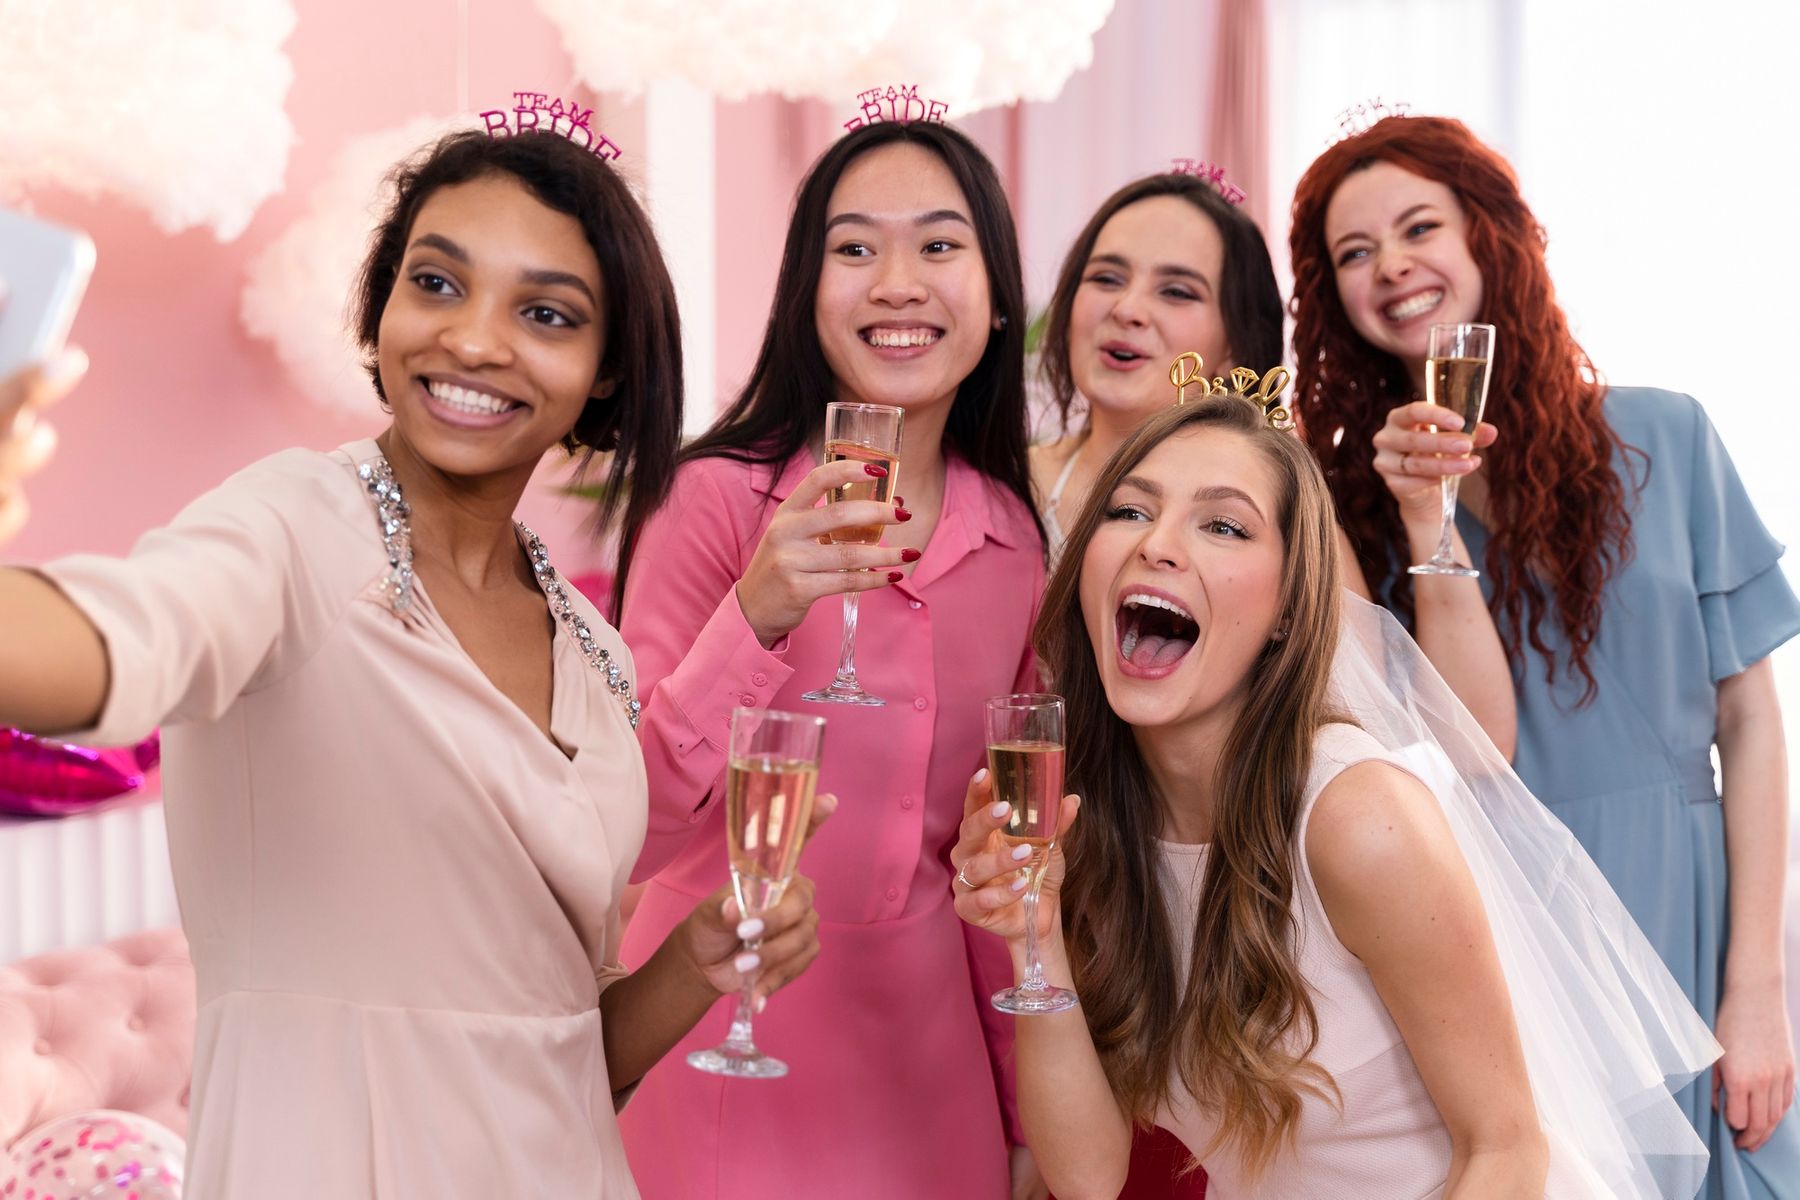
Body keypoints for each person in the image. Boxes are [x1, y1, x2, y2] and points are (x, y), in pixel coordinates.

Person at [0, 128, 827, 1198]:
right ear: (383, 305)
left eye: (545, 313)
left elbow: (558, 1057)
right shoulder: (295, 527)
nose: (473, 340)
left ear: (608, 368)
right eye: (436, 282)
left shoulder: (594, 652)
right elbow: (111, 643)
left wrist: (692, 966)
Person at [952, 393, 1718, 1198]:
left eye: (1224, 526)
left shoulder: (1359, 819)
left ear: (1288, 609)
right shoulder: (1087, 821)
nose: (1157, 545)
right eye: (1130, 511)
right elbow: (1091, 1177)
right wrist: (1035, 937)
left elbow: (1507, 1150)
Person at [1288, 113, 1800, 1191]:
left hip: (1682, 897)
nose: (1392, 266)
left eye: (1418, 227)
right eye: (1355, 252)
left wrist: (1757, 985)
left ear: (1488, 234)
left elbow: (1750, 721)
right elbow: (1466, 749)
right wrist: (1423, 517)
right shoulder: (1352, 511)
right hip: (1504, 924)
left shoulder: (1668, 437)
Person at [615, 119, 1047, 1199]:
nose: (897, 282)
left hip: (928, 1074)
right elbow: (627, 824)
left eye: (939, 245)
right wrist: (757, 609)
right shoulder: (711, 501)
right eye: (854, 248)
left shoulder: (1016, 544)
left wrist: (1020, 1106)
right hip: (718, 1040)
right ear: (806, 296)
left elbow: (998, 862)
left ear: (999, 297)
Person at [1033, 172, 1283, 565]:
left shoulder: (1280, 514)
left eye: (1176, 291)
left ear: (1235, 344)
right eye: (1106, 278)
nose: (1127, 309)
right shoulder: (1006, 482)